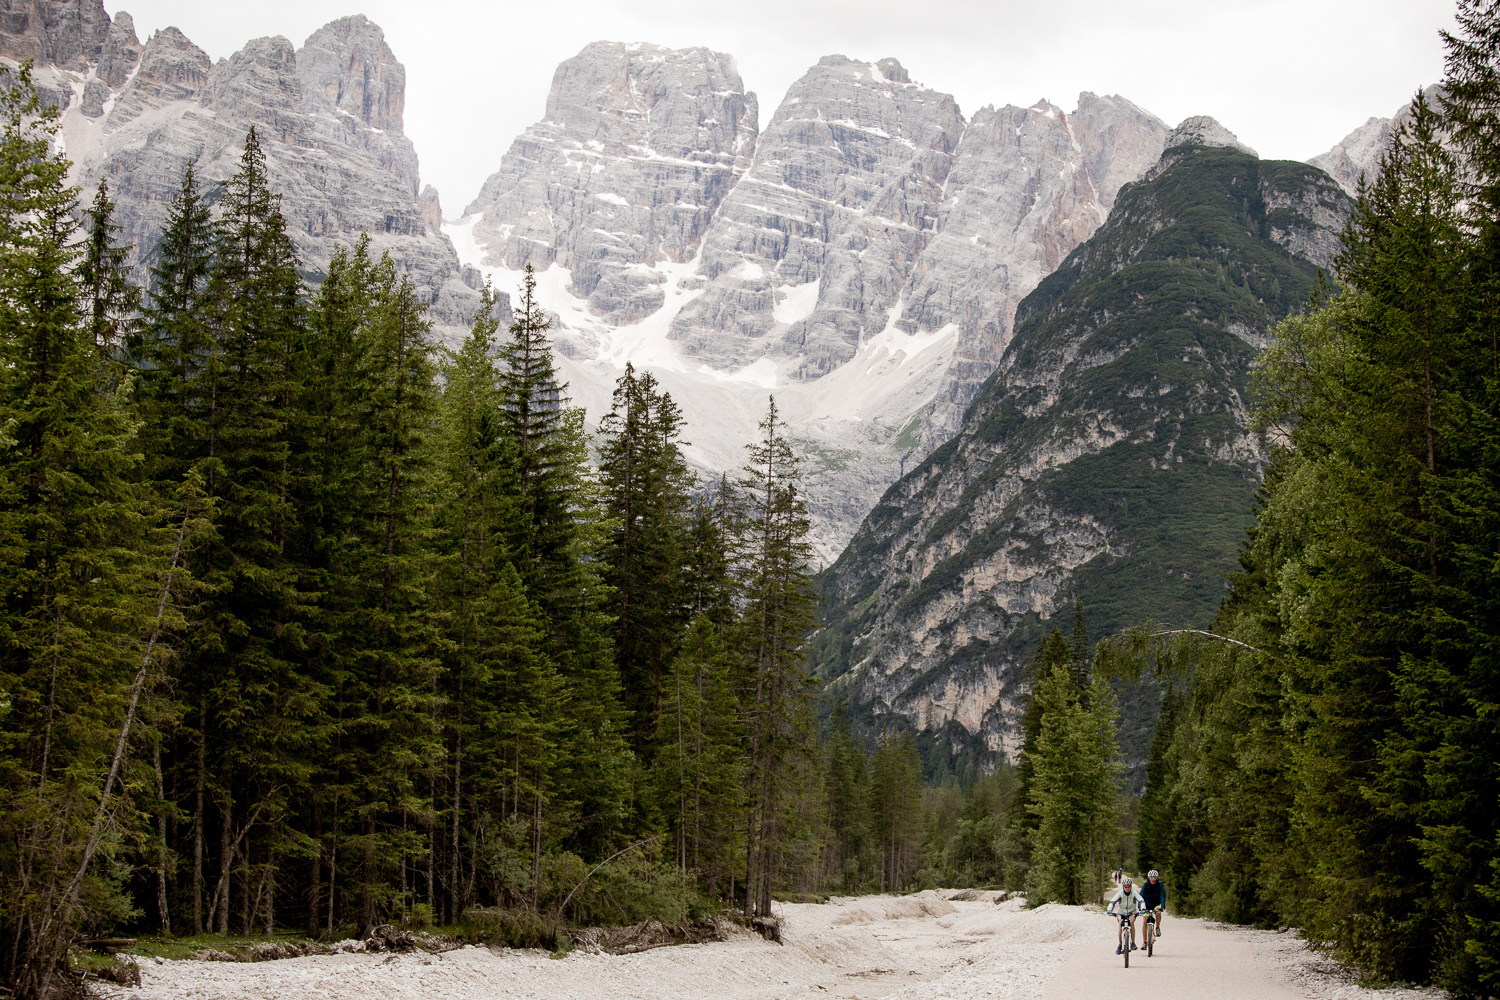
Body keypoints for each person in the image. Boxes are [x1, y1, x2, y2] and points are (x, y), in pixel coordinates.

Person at [1107, 875, 1144, 954]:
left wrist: (1143, 909)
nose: (1127, 888)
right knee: (1120, 926)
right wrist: (1109, 910)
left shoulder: (1134, 893)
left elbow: (1141, 900)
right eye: (1125, 887)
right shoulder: (1120, 893)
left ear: (1131, 886)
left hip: (1132, 912)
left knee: (1131, 922)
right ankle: (1120, 945)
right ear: (1123, 887)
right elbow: (1112, 902)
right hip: (1121, 912)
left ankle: (1133, 943)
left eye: (1128, 887)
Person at [1140, 870, 1166, 937]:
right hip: (1147, 903)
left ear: (1157, 878)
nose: (1153, 880)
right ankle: (1144, 942)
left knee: (1158, 912)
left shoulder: (1159, 884)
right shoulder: (1146, 884)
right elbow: (1141, 895)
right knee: (1145, 920)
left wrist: (1162, 906)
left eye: (1155, 878)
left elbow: (1162, 895)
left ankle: (1157, 927)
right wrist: (1140, 906)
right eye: (1151, 878)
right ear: (1149, 878)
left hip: (1157, 903)